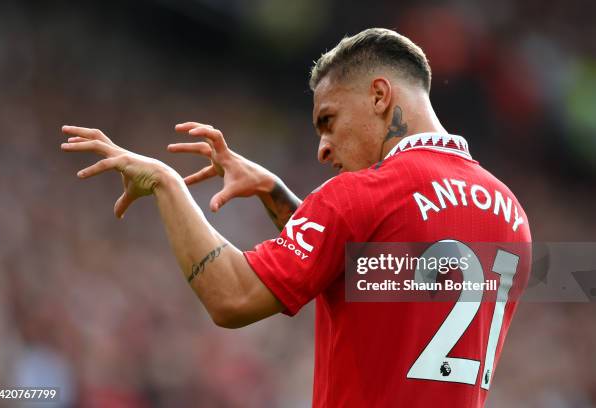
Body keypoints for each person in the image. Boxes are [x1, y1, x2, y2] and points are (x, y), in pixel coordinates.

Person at [61, 28, 532, 407]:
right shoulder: (510, 213)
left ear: (379, 95)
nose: (323, 148)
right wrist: (275, 192)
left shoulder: (364, 193)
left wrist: (166, 182)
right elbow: (366, 272)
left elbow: (232, 297)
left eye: (328, 120)